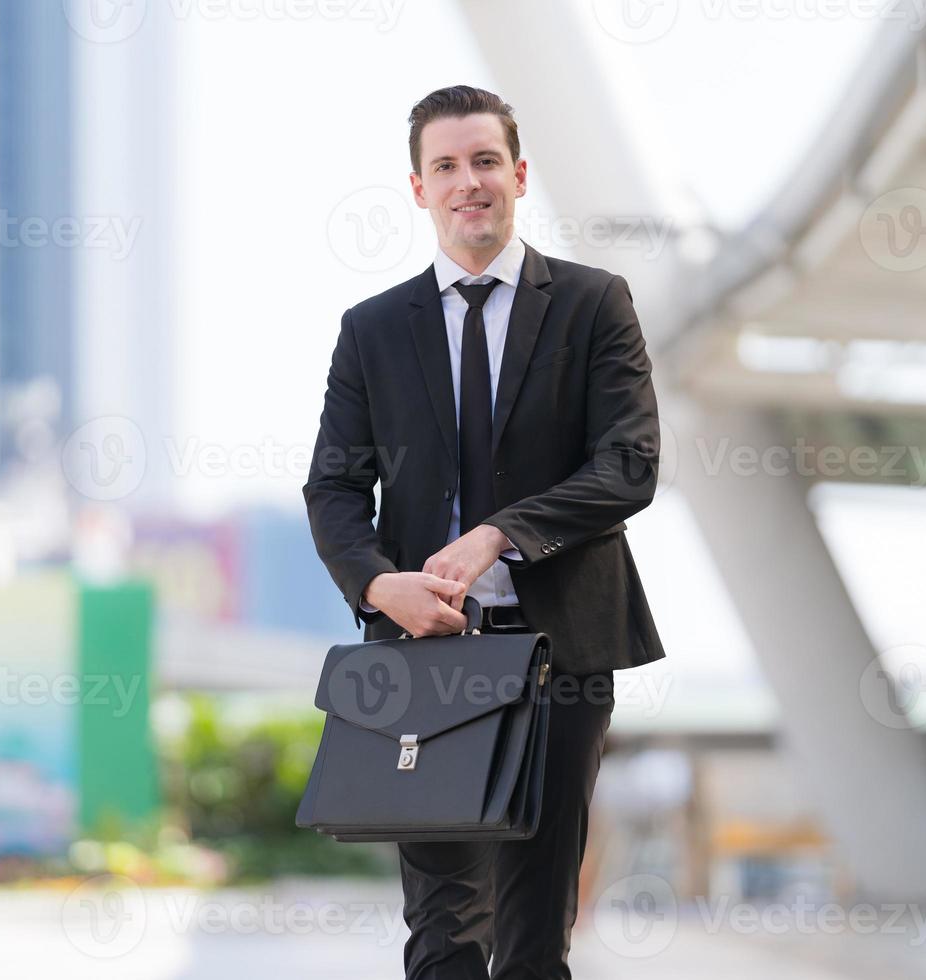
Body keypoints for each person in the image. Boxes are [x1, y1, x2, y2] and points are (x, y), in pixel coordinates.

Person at [303, 84, 666, 980]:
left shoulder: (593, 305)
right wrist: (377, 584)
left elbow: (629, 465)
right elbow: (334, 489)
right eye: (447, 166)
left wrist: (502, 533)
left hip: (564, 655)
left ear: (519, 175)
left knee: (537, 934)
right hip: (424, 658)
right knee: (441, 935)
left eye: (485, 161)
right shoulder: (373, 331)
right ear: (420, 188)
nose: (470, 181)